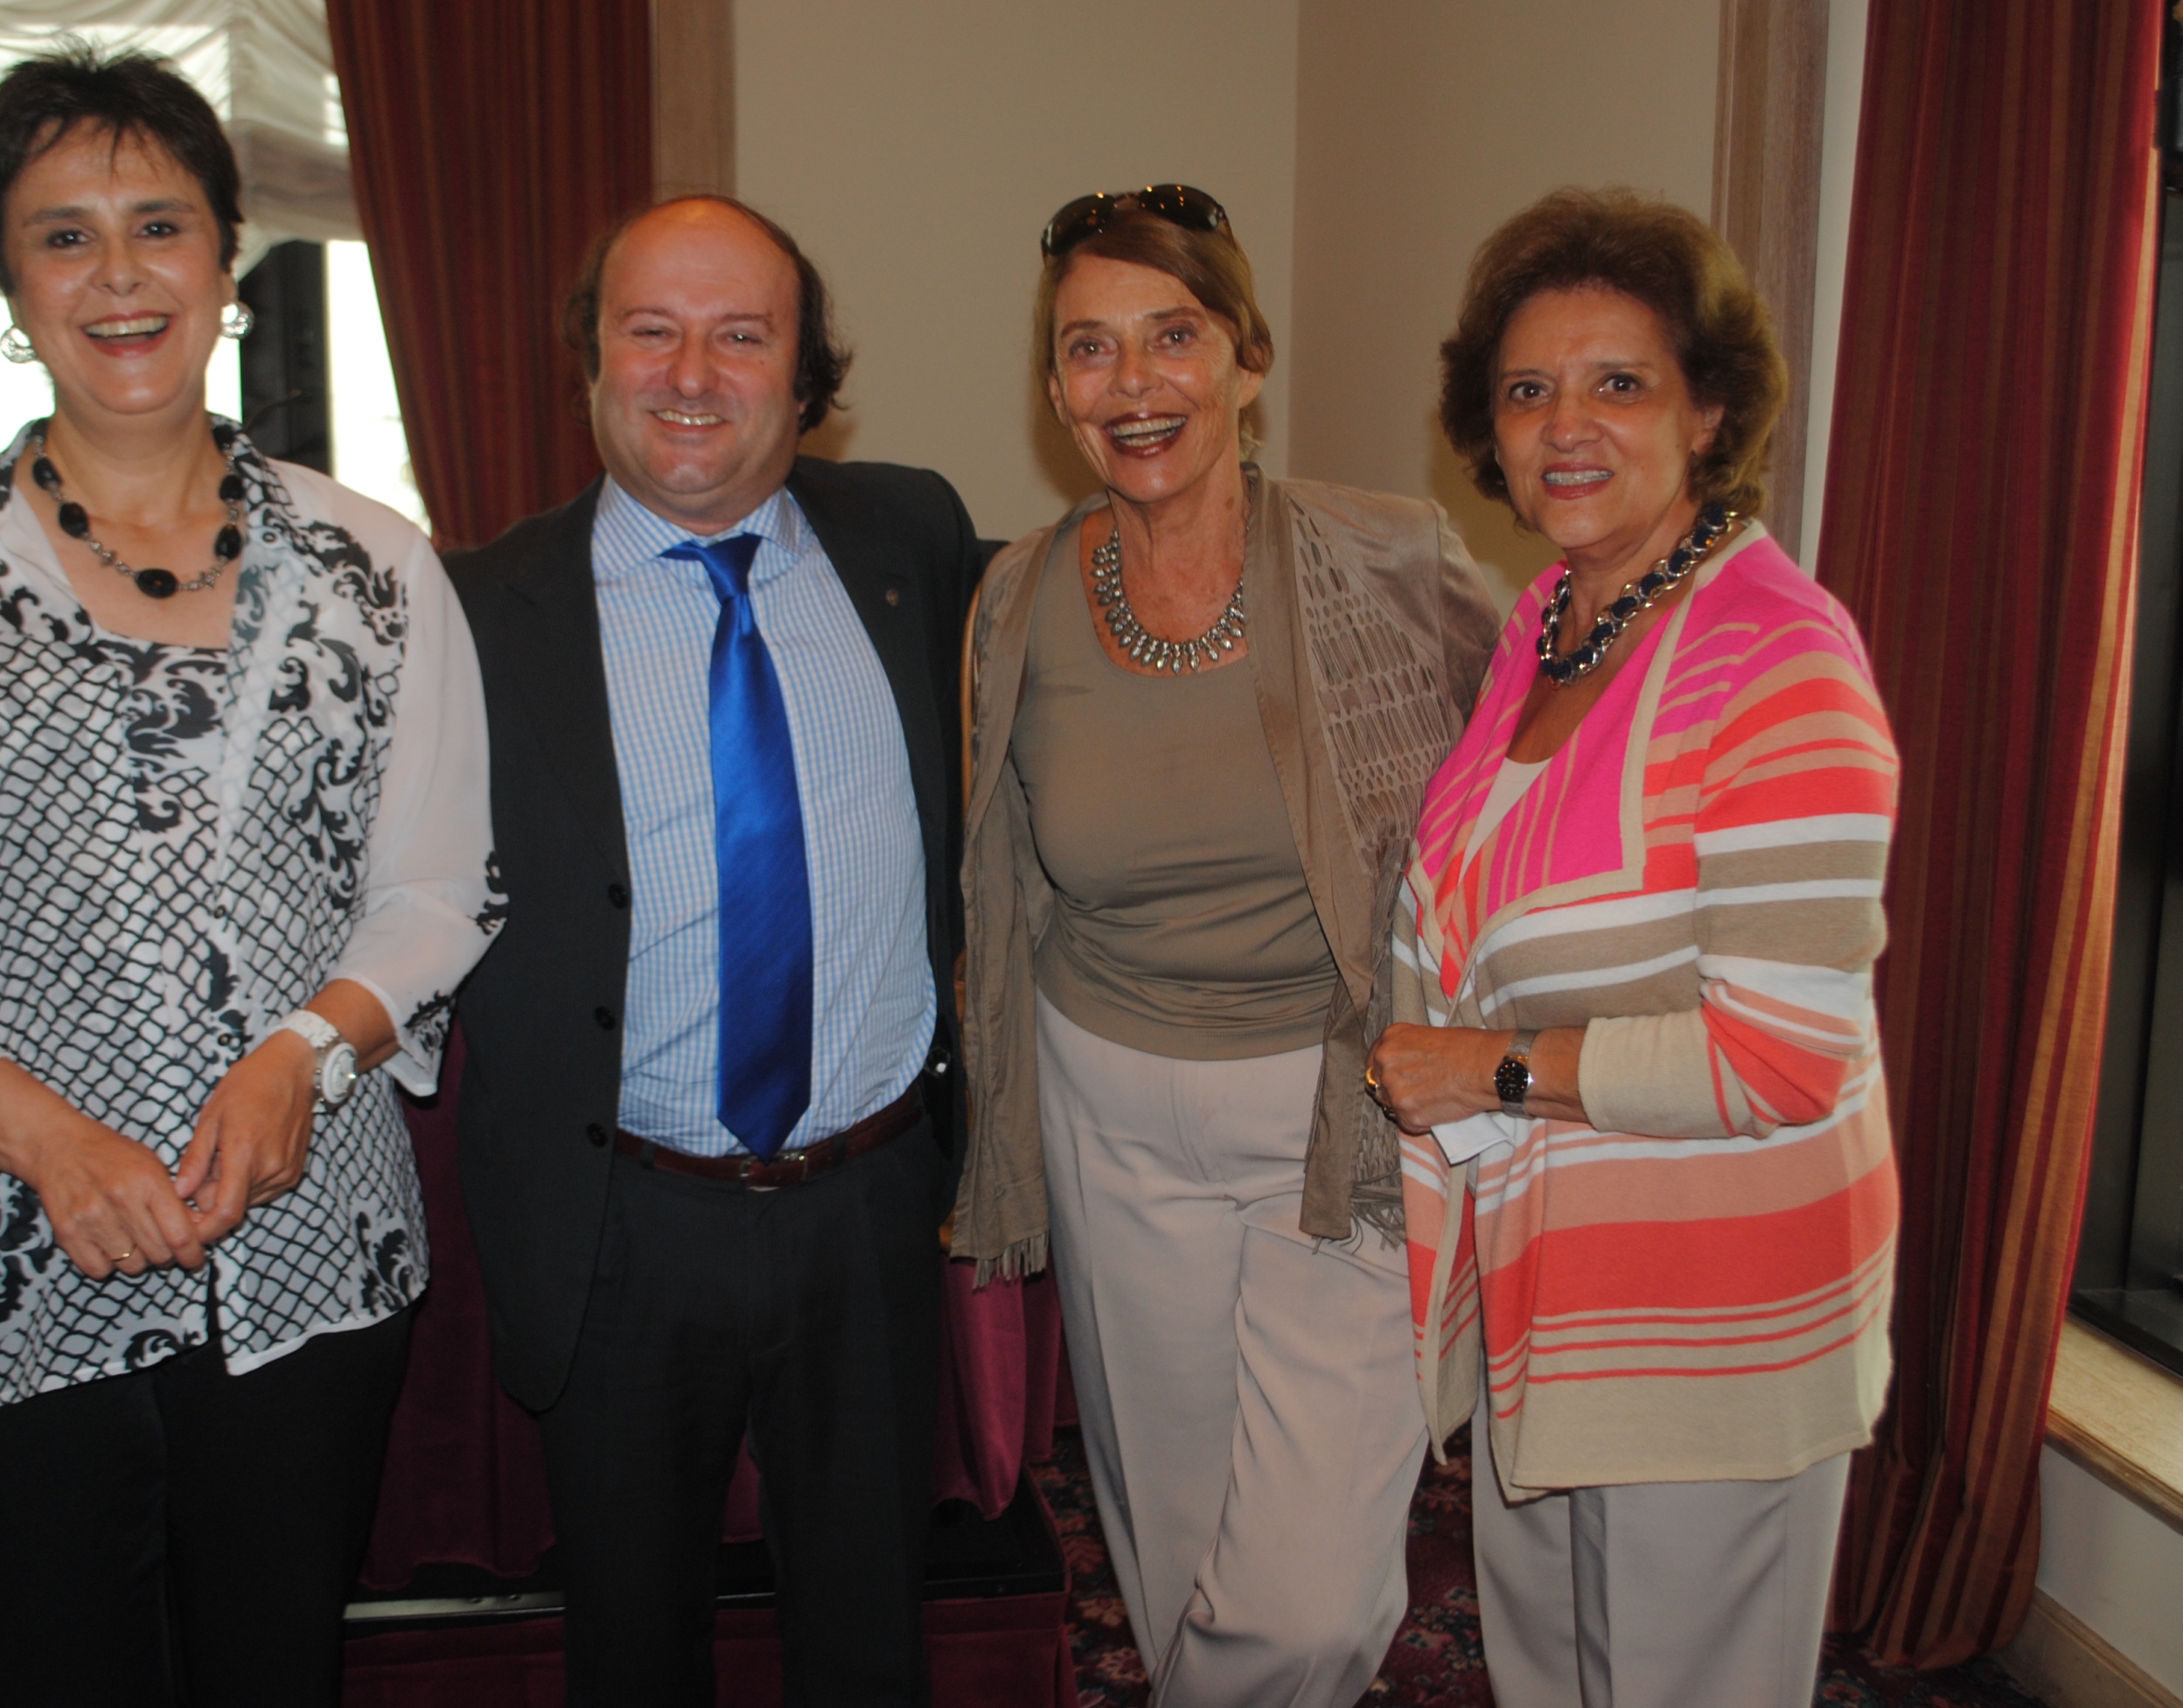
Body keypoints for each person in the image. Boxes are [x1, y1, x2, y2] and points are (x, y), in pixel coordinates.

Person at [0, 51, 501, 1707]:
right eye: (63, 236)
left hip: (302, 1256)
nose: (121, 273)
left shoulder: (378, 564)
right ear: (10, 284)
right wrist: (51, 1142)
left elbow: (441, 885)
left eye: (160, 224)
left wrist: (309, 1050)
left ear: (228, 254)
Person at [950, 186, 1499, 1703]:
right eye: (1089, 351)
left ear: (1248, 359)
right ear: (1054, 388)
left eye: (1173, 338)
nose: (1134, 387)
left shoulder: (1390, 558)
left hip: (1345, 1115)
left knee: (1308, 1600)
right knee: (1176, 1548)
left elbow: (1539, 753)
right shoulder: (1019, 597)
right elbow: (1003, 872)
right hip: (1108, 1113)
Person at [444, 194, 984, 1706]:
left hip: (870, 1207)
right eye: (653, 329)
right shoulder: (476, 610)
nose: (694, 373)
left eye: (742, 335)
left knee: (873, 1645)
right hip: (620, 1226)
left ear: (807, 379)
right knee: (631, 1652)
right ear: (590, 363)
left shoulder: (913, 540)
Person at [1369, 188, 1900, 1708]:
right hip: (1560, 1299)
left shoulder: (1778, 662)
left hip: (1711, 1325)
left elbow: (1787, 1060)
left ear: (1708, 411)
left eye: (1621, 383)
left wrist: (1486, 1067)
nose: (1566, 427)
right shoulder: (1552, 620)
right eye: (1529, 390)